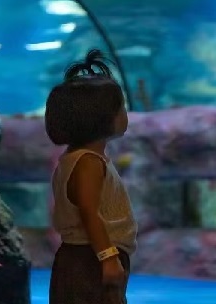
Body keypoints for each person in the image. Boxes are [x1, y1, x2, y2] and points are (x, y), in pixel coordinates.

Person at [46, 49, 137, 304]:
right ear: (101, 119)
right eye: (121, 109)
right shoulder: (88, 162)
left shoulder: (78, 158)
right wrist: (108, 257)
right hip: (90, 259)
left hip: (85, 256)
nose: (125, 115)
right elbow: (89, 212)